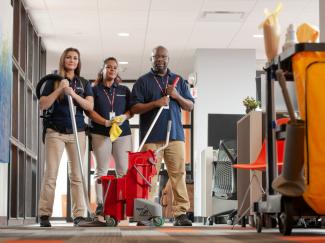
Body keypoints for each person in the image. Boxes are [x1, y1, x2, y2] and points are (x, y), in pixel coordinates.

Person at [130, 46, 194, 226]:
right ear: (151, 59)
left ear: (168, 59)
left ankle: (180, 214)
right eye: (156, 57)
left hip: (175, 136)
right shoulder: (143, 82)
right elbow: (134, 108)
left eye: (164, 57)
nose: (160, 60)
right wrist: (156, 103)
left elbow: (190, 106)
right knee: (148, 176)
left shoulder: (178, 80)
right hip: (151, 137)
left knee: (178, 174)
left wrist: (176, 96)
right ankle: (146, 213)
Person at [38, 47, 94, 227]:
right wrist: (60, 90)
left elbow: (89, 107)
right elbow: (43, 104)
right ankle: (44, 214)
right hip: (55, 132)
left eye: (75, 58)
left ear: (78, 62)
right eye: (68, 57)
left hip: (77, 132)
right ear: (63, 60)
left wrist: (73, 93)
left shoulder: (84, 83)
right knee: (51, 174)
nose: (72, 60)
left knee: (77, 175)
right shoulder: (53, 81)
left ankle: (79, 214)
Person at [87, 57, 132, 220]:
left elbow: (131, 110)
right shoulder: (94, 89)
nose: (112, 70)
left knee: (123, 171)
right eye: (108, 67)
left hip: (122, 133)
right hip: (100, 132)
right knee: (101, 170)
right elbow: (89, 111)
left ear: (117, 70)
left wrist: (124, 117)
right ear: (103, 69)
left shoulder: (124, 90)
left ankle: (123, 203)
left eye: (114, 67)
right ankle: (101, 205)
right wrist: (105, 122)